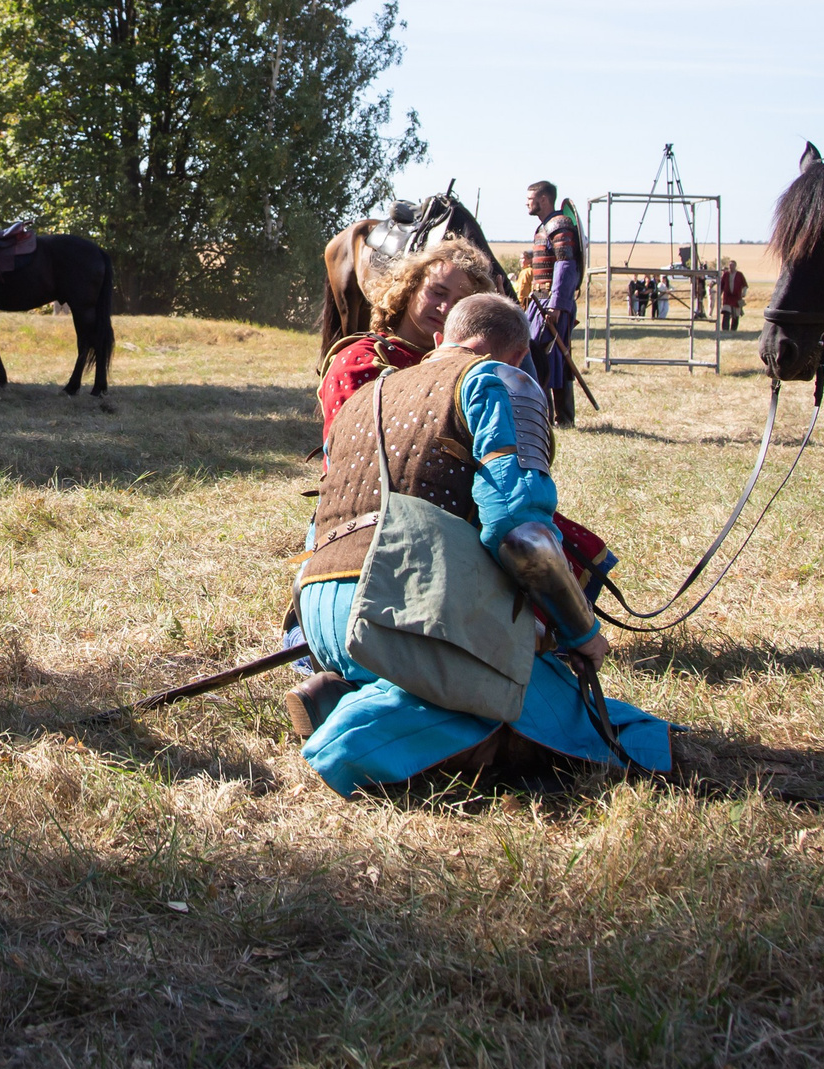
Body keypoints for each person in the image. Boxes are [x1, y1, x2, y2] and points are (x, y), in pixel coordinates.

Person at [286, 293, 670, 794]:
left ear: (441, 339)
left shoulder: (367, 393)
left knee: (505, 698)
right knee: (575, 720)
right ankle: (356, 728)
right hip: (402, 610)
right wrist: (582, 635)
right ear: (514, 356)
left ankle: (354, 685)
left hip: (319, 610)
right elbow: (522, 536)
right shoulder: (493, 381)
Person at [316, 243, 489, 441]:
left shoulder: (469, 367)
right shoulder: (361, 359)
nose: (445, 308)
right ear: (410, 287)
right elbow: (355, 446)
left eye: (459, 303)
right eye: (437, 292)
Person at [516, 180, 584, 426]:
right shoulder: (544, 227)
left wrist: (556, 303)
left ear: (543, 199)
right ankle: (545, 415)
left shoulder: (559, 225)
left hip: (552, 304)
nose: (526, 202)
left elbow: (566, 266)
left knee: (556, 359)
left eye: (530, 198)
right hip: (539, 303)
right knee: (537, 357)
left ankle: (563, 418)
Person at [717, 258, 749, 332]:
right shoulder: (726, 274)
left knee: (735, 315)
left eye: (732, 265)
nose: (731, 267)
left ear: (735, 266)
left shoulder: (739, 275)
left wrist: (743, 293)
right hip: (727, 298)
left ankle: (733, 330)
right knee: (726, 314)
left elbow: (745, 285)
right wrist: (719, 295)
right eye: (730, 265)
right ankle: (725, 329)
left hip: (736, 298)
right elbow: (721, 286)